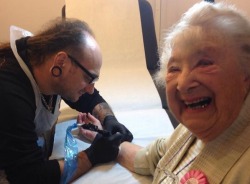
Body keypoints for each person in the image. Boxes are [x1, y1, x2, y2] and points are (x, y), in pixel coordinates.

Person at [82, 1, 250, 183]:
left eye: (205, 63)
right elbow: (148, 158)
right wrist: (104, 138)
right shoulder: (187, 134)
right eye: (174, 69)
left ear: (246, 72)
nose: (183, 83)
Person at [0, 18, 133, 184]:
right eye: (88, 78)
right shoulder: (9, 93)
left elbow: (89, 99)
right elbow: (30, 176)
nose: (90, 88)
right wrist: (92, 155)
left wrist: (109, 119)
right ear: (61, 61)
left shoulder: (43, 62)